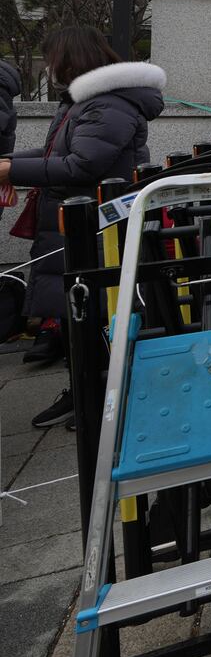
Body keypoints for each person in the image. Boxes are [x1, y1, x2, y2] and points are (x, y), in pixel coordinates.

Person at [0, 29, 165, 425]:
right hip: (77, 219)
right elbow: (57, 152)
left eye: (53, 60)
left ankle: (99, 394)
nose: (51, 70)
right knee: (81, 315)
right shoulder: (90, 101)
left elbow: (81, 165)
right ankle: (86, 391)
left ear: (71, 59)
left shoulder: (107, 104)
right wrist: (9, 163)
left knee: (90, 313)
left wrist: (10, 169)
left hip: (91, 221)